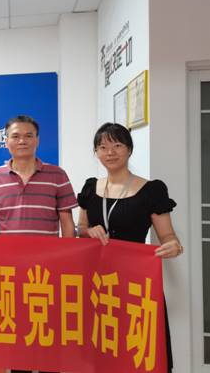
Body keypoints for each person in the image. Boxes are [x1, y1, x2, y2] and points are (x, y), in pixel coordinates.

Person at [77, 122, 182, 372]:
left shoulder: (151, 190)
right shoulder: (91, 187)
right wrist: (88, 231)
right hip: (97, 281)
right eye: (103, 147)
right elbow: (80, 228)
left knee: (138, 345)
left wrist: (174, 246)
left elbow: (168, 236)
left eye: (117, 145)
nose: (110, 152)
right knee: (100, 346)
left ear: (129, 149)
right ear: (96, 152)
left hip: (135, 281)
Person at [0, 115, 76, 373]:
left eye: (28, 135)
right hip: (10, 272)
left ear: (37, 140)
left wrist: (68, 262)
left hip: (49, 271)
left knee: (49, 335)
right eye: (15, 136)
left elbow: (67, 222)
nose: (22, 141)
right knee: (18, 336)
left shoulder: (57, 175)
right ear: (6, 142)